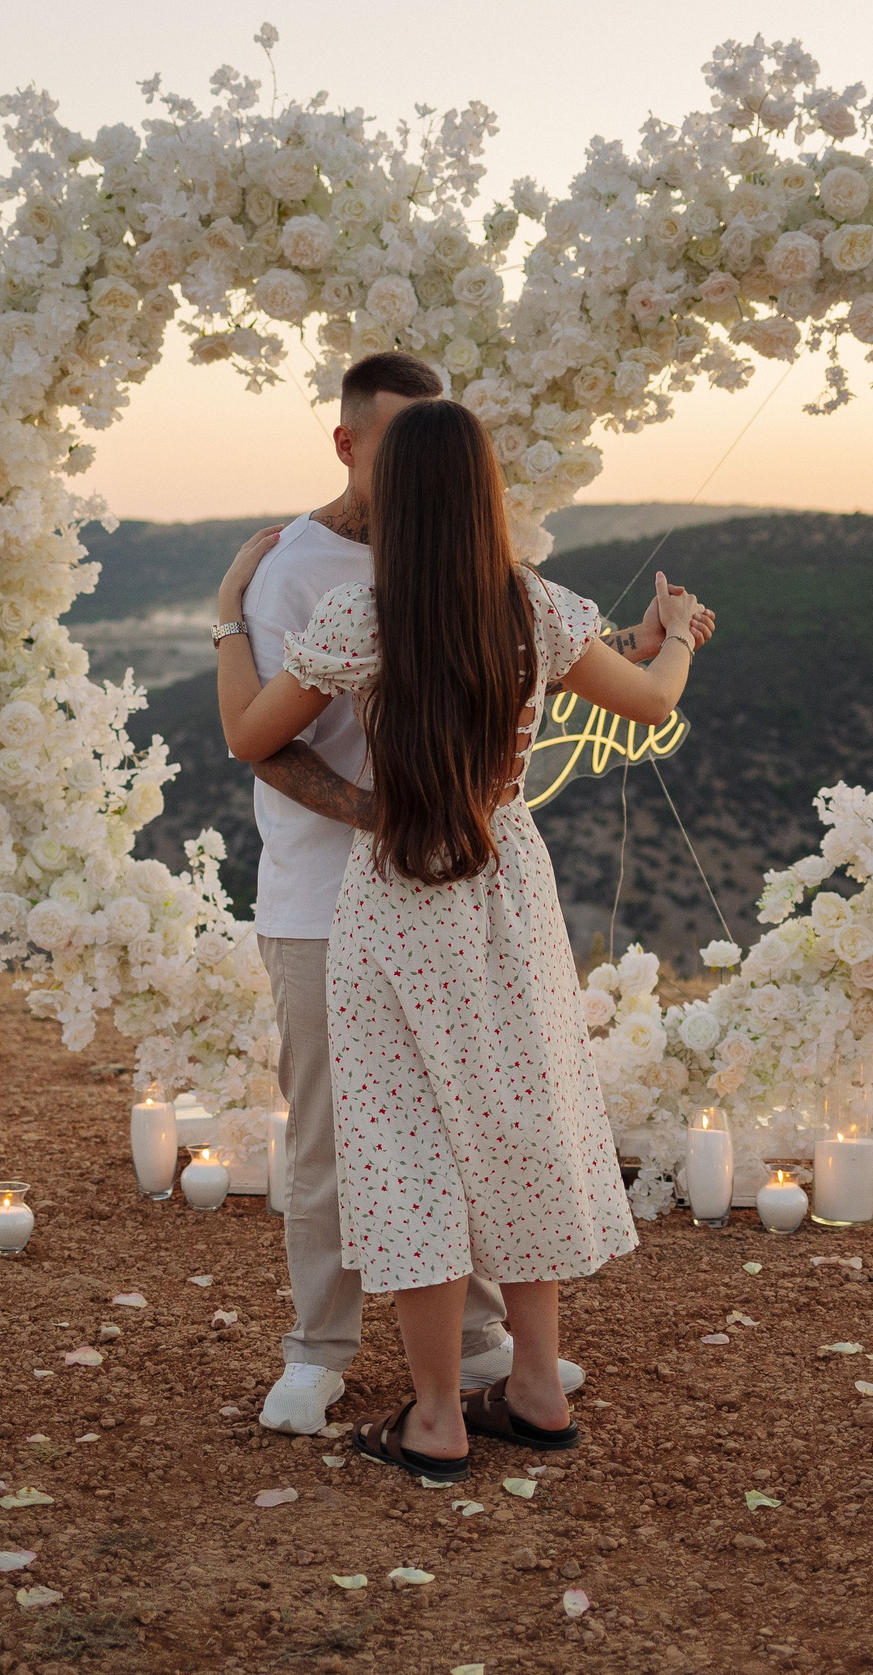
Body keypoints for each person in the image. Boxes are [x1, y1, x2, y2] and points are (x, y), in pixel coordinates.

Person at [216, 397, 712, 1481]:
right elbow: (650, 703)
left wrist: (227, 615)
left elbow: (248, 735)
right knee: (517, 1120)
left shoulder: (362, 619)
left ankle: (435, 1415)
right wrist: (672, 636)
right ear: (489, 495)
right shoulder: (537, 611)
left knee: (406, 1149)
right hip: (506, 882)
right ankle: (533, 1385)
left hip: (400, 887)